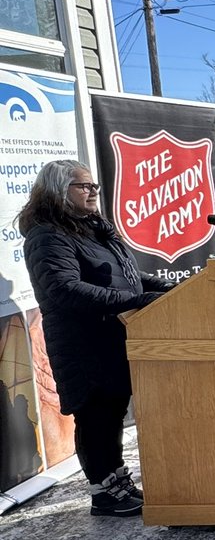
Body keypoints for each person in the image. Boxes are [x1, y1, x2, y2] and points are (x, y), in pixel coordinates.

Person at [18, 159, 173, 517]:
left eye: (94, 186)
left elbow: (125, 275)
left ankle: (118, 482)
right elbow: (65, 289)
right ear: (59, 191)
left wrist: (164, 287)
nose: (92, 192)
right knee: (95, 416)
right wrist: (135, 300)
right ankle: (103, 492)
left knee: (112, 412)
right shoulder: (47, 235)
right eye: (83, 186)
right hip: (82, 343)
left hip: (109, 338)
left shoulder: (91, 227)